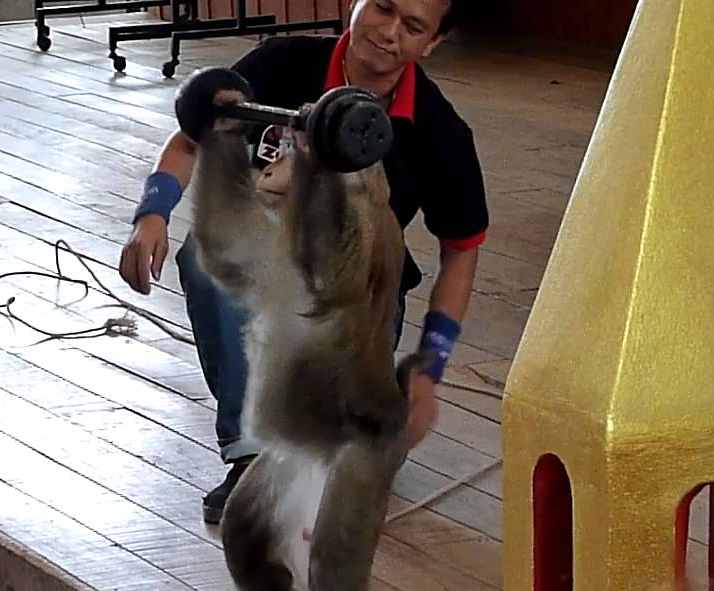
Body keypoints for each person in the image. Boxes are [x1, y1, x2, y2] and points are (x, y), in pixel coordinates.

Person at [118, 0, 489, 524]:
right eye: (383, 7)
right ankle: (253, 457)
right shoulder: (280, 64)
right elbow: (191, 137)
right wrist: (152, 212)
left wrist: (430, 370)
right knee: (205, 257)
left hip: (358, 294)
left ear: (433, 43)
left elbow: (462, 250)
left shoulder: (439, 130)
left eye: (412, 27)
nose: (388, 32)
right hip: (261, 263)